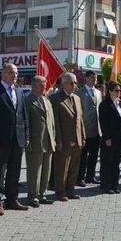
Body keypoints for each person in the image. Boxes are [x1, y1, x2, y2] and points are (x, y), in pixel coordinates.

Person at [0, 63, 30, 215]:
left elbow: (23, 116)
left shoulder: (18, 91)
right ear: (3, 73)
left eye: (16, 73)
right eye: (11, 72)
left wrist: (26, 136)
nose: (14, 75)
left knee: (14, 170)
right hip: (1, 140)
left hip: (18, 139)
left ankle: (12, 199)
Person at [51, 72, 85, 201]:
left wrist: (83, 136)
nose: (74, 85)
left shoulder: (77, 98)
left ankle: (71, 190)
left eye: (75, 83)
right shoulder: (55, 98)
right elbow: (56, 121)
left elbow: (80, 119)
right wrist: (58, 139)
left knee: (74, 167)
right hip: (64, 140)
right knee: (62, 168)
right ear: (64, 83)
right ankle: (60, 192)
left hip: (77, 139)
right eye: (72, 83)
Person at [24, 76, 56, 207]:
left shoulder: (46, 100)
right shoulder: (27, 100)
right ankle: (33, 196)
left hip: (48, 140)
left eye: (44, 85)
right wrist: (27, 140)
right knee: (34, 171)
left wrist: (54, 138)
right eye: (41, 85)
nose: (44, 87)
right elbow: (25, 121)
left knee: (46, 170)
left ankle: (42, 194)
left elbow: (52, 122)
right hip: (34, 141)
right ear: (33, 86)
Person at [99, 82, 121, 194]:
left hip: (119, 139)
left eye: (119, 90)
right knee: (107, 162)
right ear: (110, 91)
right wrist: (107, 138)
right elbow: (103, 122)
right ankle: (106, 186)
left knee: (116, 163)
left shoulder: (119, 103)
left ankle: (114, 185)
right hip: (110, 139)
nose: (118, 92)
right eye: (116, 90)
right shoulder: (105, 104)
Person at [76, 70, 101, 187]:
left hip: (97, 129)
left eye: (95, 77)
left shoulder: (98, 92)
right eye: (92, 77)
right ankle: (80, 177)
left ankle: (90, 176)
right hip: (85, 128)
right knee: (83, 156)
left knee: (94, 155)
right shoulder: (80, 92)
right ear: (86, 78)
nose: (94, 79)